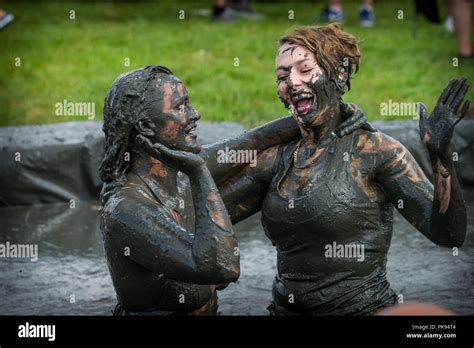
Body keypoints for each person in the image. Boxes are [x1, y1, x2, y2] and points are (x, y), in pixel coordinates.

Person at [215, 23, 468, 315]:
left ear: (340, 73)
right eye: (283, 76)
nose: (293, 82)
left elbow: (448, 235)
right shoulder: (276, 160)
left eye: (305, 70)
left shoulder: (378, 153)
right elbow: (210, 214)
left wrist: (441, 155)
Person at [100, 65, 368, 315]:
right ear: (146, 126)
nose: (195, 114)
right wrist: (199, 173)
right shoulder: (126, 211)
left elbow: (256, 140)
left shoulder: (174, 175)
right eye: (181, 107)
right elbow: (223, 267)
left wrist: (328, 116)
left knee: (268, 165)